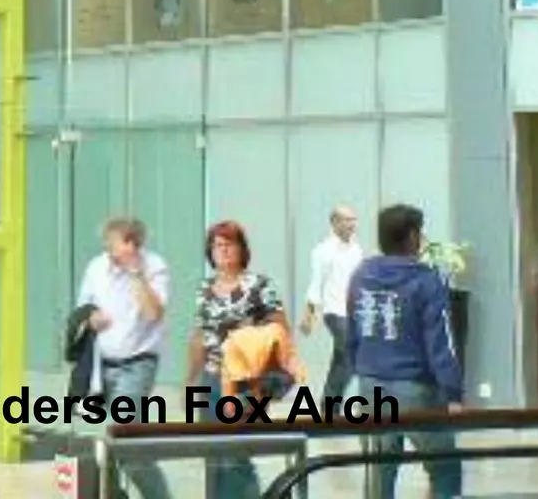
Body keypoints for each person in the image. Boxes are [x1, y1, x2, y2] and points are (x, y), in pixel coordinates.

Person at [347, 204, 462, 499]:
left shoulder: (362, 275)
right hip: (414, 386)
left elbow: (352, 330)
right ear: (412, 236)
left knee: (378, 470)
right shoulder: (425, 280)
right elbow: (440, 340)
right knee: (444, 467)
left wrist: (358, 367)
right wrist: (453, 392)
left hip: (370, 383)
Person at [76, 217, 171, 499]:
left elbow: (154, 313)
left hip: (136, 364)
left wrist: (135, 274)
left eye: (115, 244)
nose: (110, 251)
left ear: (133, 244)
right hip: (99, 365)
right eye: (109, 244)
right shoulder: (97, 267)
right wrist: (91, 318)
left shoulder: (155, 267)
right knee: (104, 447)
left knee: (128, 442)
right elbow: (82, 308)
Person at [190, 221, 287, 499]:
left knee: (236, 458)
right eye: (217, 245)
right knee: (212, 457)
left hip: (246, 382)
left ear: (242, 249)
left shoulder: (258, 285)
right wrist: (190, 381)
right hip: (211, 379)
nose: (222, 250)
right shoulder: (205, 288)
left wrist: (265, 389)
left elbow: (280, 332)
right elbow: (200, 335)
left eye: (228, 244)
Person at [300, 205, 365, 402]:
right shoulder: (323, 251)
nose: (351, 224)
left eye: (353, 219)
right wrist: (308, 315)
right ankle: (330, 402)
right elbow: (316, 284)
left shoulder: (356, 249)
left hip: (355, 312)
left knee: (341, 359)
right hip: (334, 312)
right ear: (334, 223)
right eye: (346, 220)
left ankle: (329, 406)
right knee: (349, 356)